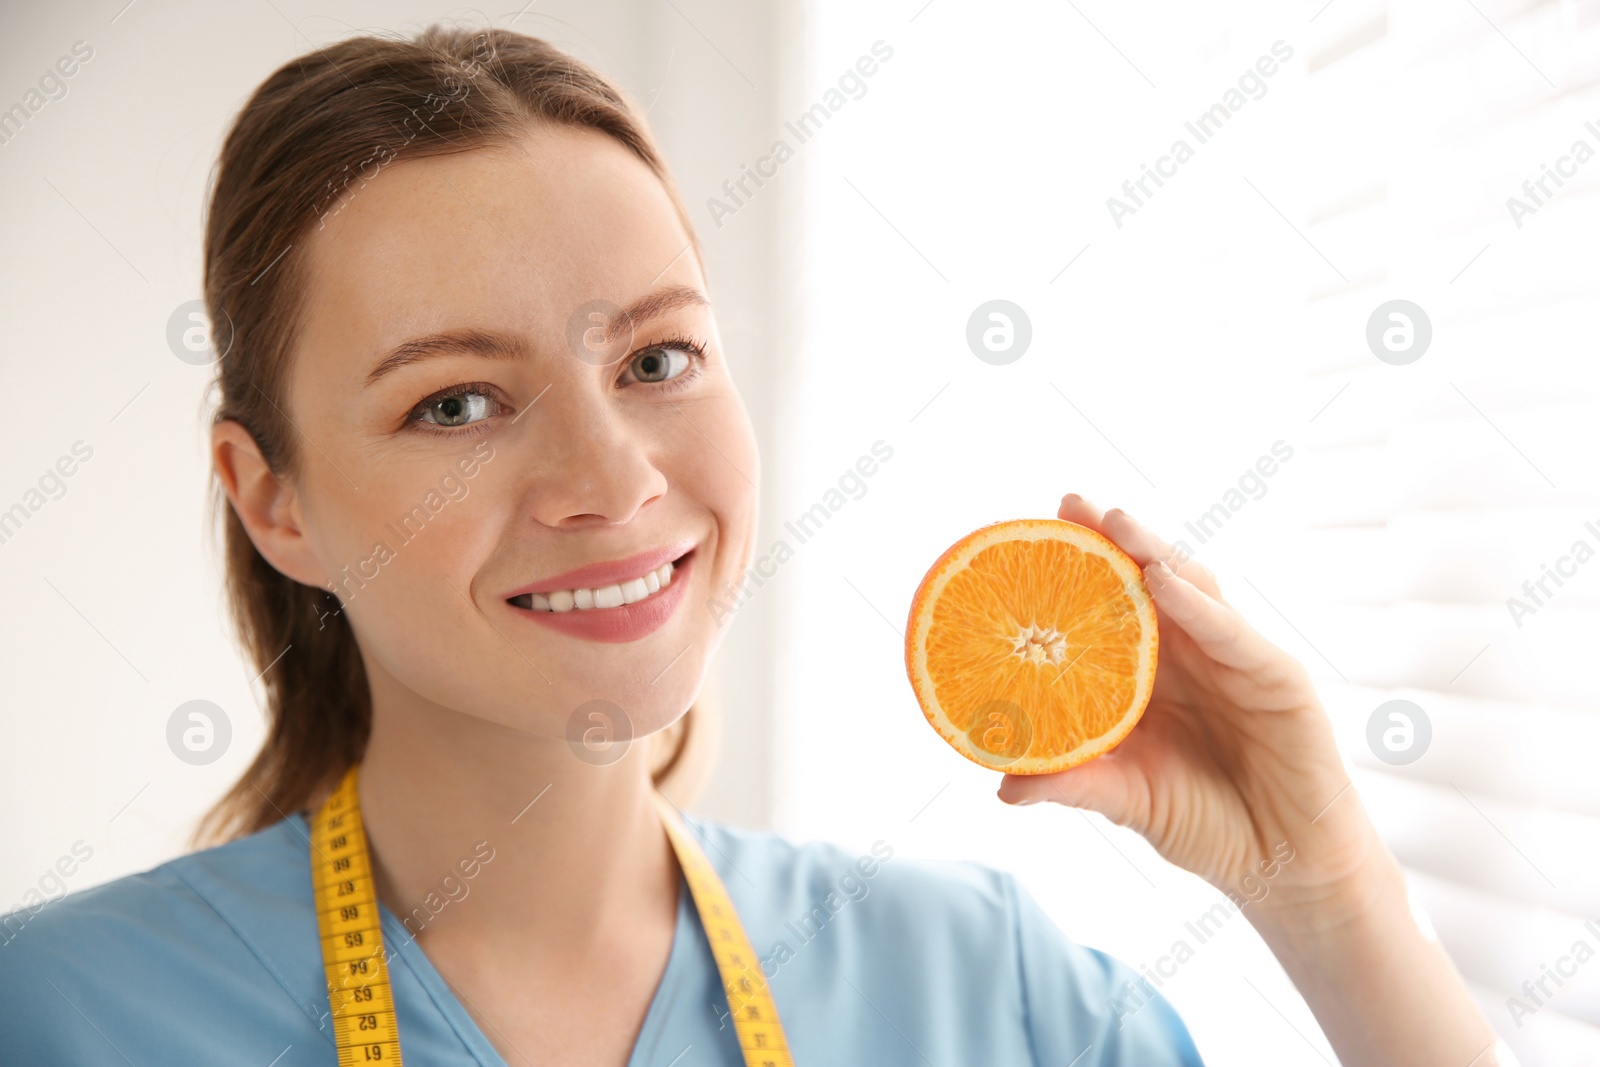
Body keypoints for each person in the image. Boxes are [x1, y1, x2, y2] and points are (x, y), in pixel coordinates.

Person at [0, 25, 1503, 1067]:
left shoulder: (983, 986)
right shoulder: (58, 1017)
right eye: (458, 401)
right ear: (275, 502)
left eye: (657, 361)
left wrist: (1325, 888)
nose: (610, 478)